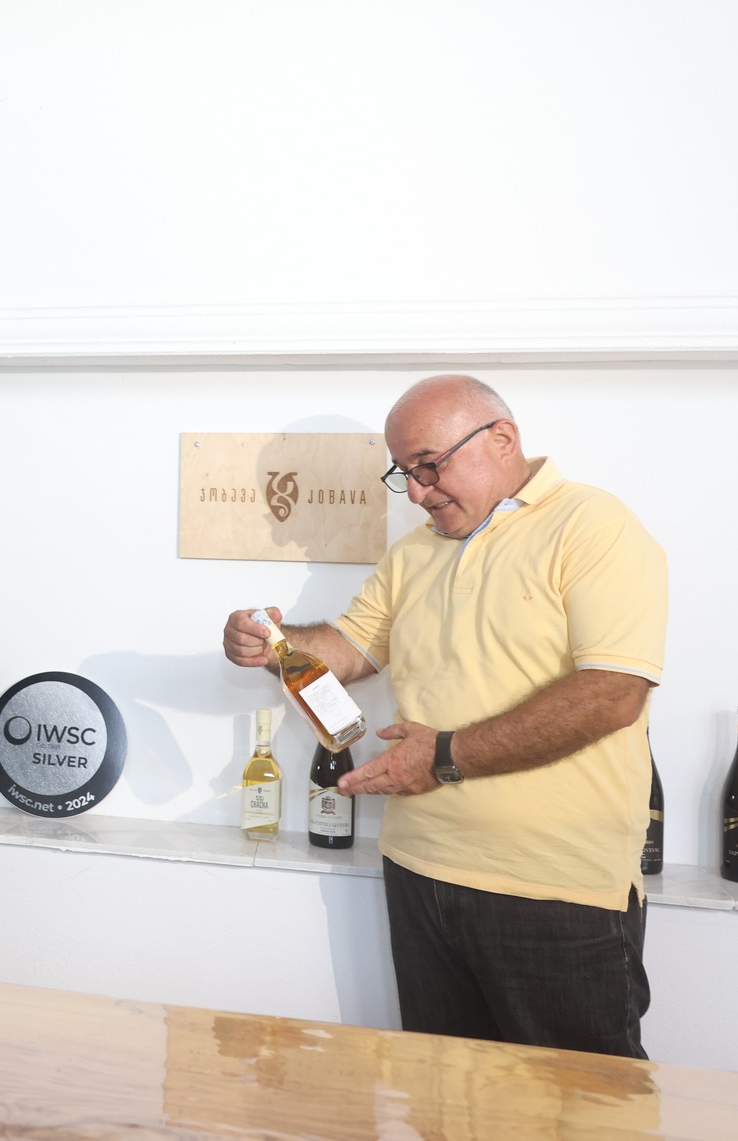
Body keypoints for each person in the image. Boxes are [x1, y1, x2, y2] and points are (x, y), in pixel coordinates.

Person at [222, 374, 666, 1057]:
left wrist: (444, 756)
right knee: (441, 1100)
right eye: (404, 473)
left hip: (555, 888)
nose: (418, 491)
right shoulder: (414, 552)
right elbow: (348, 649)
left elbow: (613, 692)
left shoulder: (594, 525)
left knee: (580, 1107)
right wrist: (271, 643)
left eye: (429, 465)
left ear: (502, 439)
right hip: (418, 872)